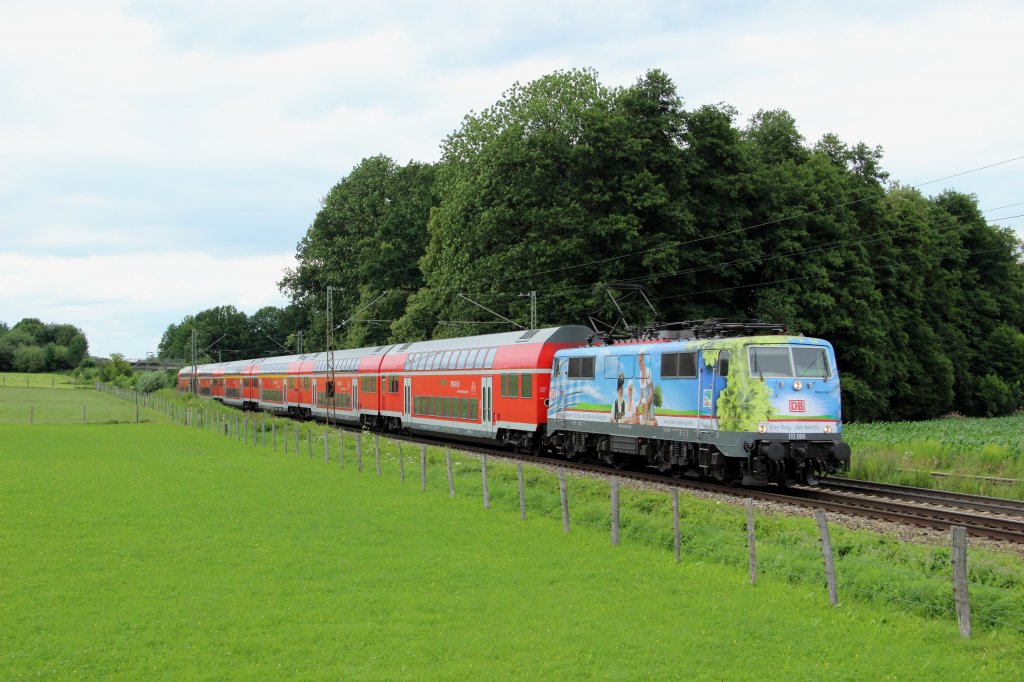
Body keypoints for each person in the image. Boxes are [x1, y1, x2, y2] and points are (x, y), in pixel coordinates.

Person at [637, 353, 656, 426]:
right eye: (639, 363)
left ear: (643, 360)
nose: (640, 364)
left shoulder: (648, 371)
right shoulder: (640, 374)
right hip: (644, 402)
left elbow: (652, 391)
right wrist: (639, 402)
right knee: (643, 422)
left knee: (648, 422)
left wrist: (648, 401)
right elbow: (641, 391)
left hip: (648, 401)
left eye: (641, 361)